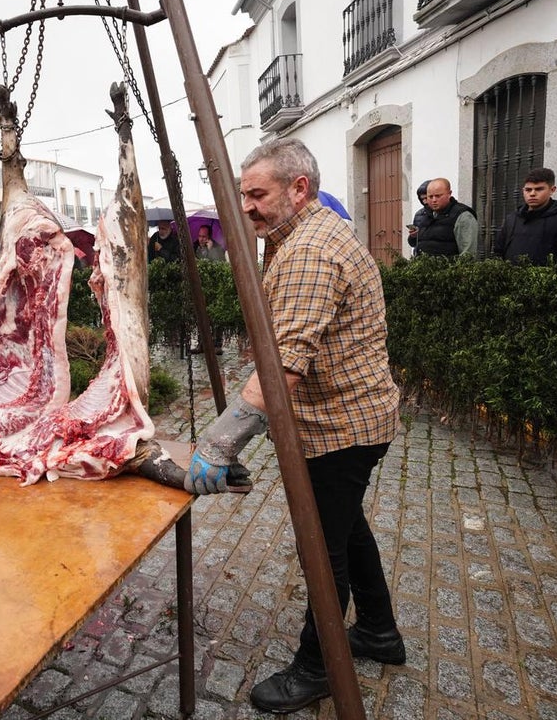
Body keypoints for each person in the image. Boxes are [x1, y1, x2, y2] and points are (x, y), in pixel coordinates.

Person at [186, 139, 402, 714]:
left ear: (298, 187)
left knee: (322, 546)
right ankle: (379, 633)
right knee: (349, 528)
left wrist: (220, 443)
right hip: (354, 418)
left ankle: (319, 666)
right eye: (242, 194)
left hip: (340, 427)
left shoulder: (308, 250)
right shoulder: (295, 238)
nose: (246, 206)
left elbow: (282, 366)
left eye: (256, 194)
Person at [491, 168, 557, 265]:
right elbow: (499, 251)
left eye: (539, 189)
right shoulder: (512, 219)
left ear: (552, 190)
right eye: (528, 190)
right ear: (523, 190)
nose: (532, 194)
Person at [415, 177, 478, 257]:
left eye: (438, 196)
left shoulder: (463, 216)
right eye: (430, 197)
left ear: (449, 193)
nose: (434, 200)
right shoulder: (425, 215)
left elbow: (468, 254)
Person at [406, 179, 431, 256]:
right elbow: (412, 243)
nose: (424, 202)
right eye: (422, 199)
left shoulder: (443, 214)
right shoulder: (418, 214)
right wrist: (413, 236)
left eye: (426, 198)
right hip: (420, 258)